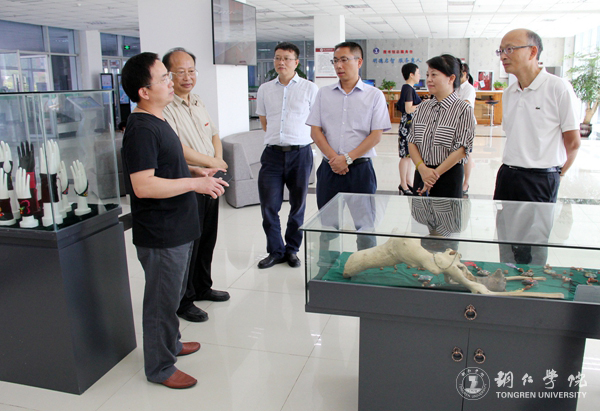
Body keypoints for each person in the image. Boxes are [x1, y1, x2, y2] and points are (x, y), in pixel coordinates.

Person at [121, 52, 228, 389]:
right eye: (164, 77)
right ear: (144, 91)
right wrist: (195, 185)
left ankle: (171, 343)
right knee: (161, 302)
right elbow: (143, 185)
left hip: (178, 226)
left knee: (173, 295)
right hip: (161, 233)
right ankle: (160, 367)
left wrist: (195, 171)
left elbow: (167, 165)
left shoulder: (159, 119)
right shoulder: (141, 129)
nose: (172, 82)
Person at [161, 48, 230, 323]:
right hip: (189, 180)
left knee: (208, 237)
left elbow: (214, 134)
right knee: (190, 242)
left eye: (191, 71)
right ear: (168, 75)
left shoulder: (197, 100)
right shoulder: (165, 107)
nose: (187, 77)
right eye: (180, 72)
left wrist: (217, 162)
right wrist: (211, 163)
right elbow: (178, 148)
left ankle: (202, 286)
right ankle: (184, 299)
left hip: (210, 178)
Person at [306, 41, 390, 252]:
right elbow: (315, 131)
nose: (338, 65)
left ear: (359, 62)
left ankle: (365, 266)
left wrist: (348, 158)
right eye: (335, 61)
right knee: (328, 226)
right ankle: (327, 267)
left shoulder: (374, 95)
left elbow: (376, 135)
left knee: (365, 227)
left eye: (344, 60)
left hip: (360, 171)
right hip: (329, 170)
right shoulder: (324, 94)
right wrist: (335, 159)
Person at [494, 28, 580, 204]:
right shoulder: (509, 92)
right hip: (508, 175)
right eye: (500, 51)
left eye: (509, 49)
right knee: (503, 222)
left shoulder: (558, 87)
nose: (503, 56)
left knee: (536, 223)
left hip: (540, 179)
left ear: (533, 51)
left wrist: (558, 174)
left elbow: (573, 142)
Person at [255, 42, 318, 269]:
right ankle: (276, 251)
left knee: (297, 205)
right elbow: (264, 121)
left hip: (300, 154)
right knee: (268, 206)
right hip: (272, 155)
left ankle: (292, 250)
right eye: (278, 58)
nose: (281, 62)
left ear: (296, 62)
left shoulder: (310, 88)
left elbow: (317, 122)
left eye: (287, 58)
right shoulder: (265, 89)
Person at [407, 54, 475, 198]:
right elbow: (412, 141)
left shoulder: (463, 110)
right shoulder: (422, 108)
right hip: (422, 173)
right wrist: (422, 169)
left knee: (447, 212)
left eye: (434, 75)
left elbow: (462, 149)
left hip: (448, 177)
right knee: (419, 212)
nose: (429, 79)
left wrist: (433, 176)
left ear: (451, 78)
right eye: (427, 75)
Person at [395, 63, 421, 196]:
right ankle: (403, 184)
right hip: (407, 126)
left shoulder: (408, 88)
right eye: (418, 73)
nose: (419, 76)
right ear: (411, 74)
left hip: (409, 125)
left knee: (409, 156)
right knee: (405, 156)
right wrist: (423, 105)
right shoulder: (408, 88)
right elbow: (409, 109)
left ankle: (408, 182)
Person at [457, 62, 476, 195]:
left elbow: (465, 104)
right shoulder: (456, 87)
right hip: (455, 124)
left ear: (464, 74)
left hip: (466, 124)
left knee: (466, 153)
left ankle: (466, 182)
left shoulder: (469, 88)